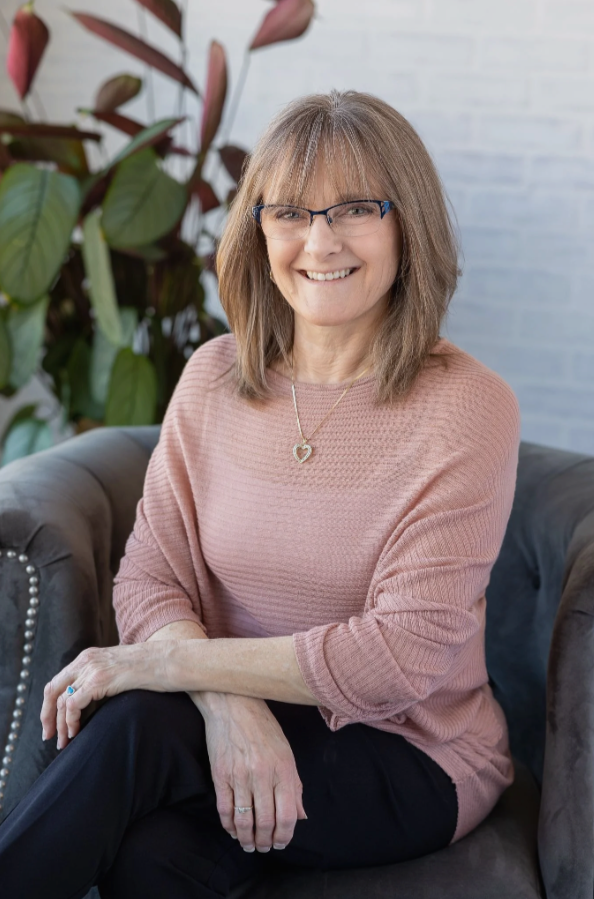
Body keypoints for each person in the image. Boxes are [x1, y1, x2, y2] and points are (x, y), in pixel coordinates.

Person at [0, 89, 521, 898]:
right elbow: (152, 578)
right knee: (149, 858)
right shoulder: (213, 375)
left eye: (354, 207)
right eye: (289, 212)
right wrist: (222, 699)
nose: (320, 241)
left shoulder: (467, 406)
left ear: (405, 221)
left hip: (411, 751)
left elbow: (399, 655)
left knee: (135, 722)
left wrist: (166, 667)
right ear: (259, 229)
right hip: (215, 721)